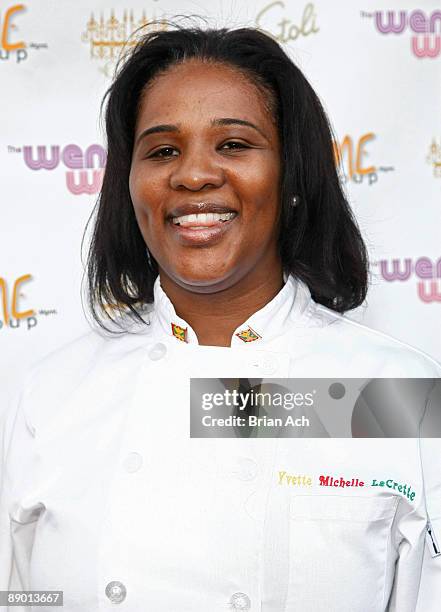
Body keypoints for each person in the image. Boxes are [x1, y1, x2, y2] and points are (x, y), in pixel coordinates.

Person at [1, 23, 440, 612]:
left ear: (291, 176)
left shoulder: (394, 392)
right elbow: (25, 598)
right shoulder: (56, 391)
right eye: (162, 150)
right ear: (129, 187)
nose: (194, 175)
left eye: (233, 144)